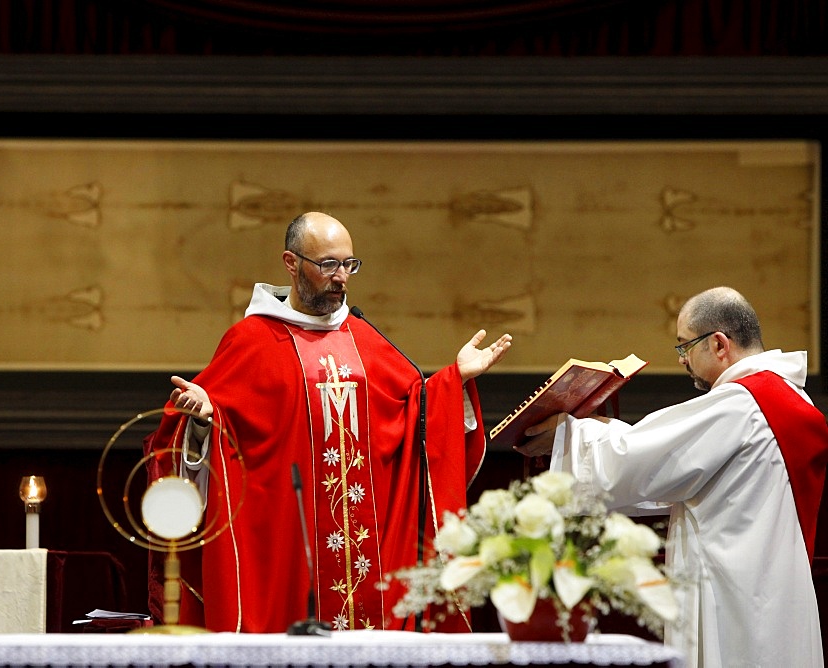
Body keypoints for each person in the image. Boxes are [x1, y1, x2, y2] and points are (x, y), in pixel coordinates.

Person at [143, 211, 512, 633]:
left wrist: (454, 380)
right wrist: (204, 424)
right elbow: (193, 435)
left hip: (372, 569)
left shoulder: (365, 337)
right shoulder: (252, 342)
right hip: (288, 565)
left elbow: (413, 414)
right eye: (329, 265)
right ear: (291, 262)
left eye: (349, 265)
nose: (342, 278)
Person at [517, 286, 828, 668]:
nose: (682, 359)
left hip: (733, 597)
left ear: (718, 344)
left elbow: (635, 461)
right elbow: (675, 470)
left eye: (684, 346)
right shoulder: (790, 397)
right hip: (772, 590)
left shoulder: (744, 403)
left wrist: (569, 434)